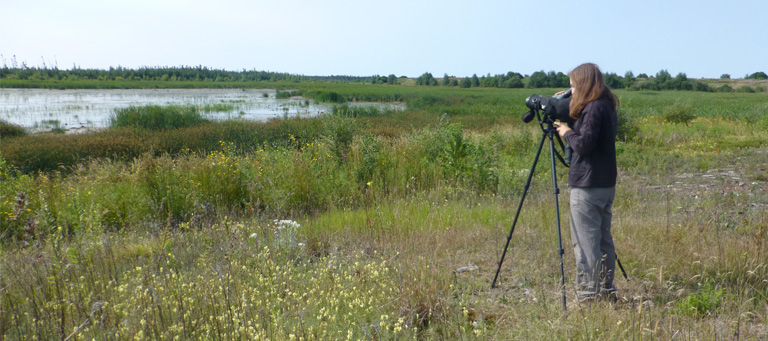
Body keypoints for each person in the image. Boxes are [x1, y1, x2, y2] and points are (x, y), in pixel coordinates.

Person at [553, 63, 619, 302]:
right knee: (603, 241)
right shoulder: (606, 105)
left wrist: (566, 132)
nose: (571, 90)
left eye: (573, 85)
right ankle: (607, 289)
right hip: (605, 183)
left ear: (583, 84)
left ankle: (589, 295)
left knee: (585, 243)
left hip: (588, 185)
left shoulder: (592, 109)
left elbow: (583, 144)